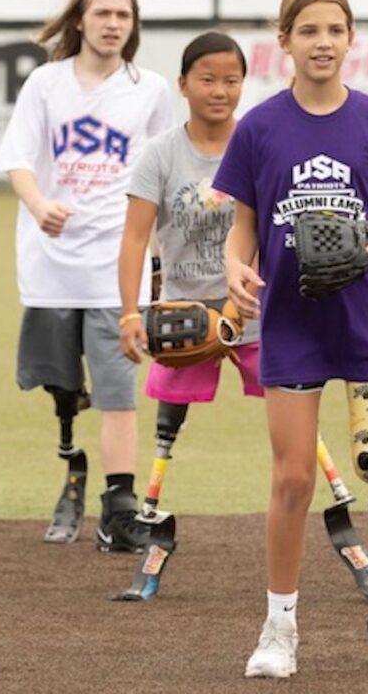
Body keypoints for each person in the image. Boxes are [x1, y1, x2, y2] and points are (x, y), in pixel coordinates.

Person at [212, 0, 368, 679]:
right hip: (290, 321)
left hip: (362, 320)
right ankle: (279, 629)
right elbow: (240, 227)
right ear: (285, 42)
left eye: (335, 30)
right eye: (309, 31)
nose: (323, 42)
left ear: (351, 38)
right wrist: (234, 269)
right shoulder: (261, 128)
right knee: (294, 478)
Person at [0, 0, 173, 552]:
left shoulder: (150, 90)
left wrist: (162, 257)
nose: (114, 24)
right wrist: (40, 203)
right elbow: (18, 157)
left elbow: (164, 176)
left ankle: (118, 507)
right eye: (103, 14)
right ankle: (72, 462)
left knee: (119, 388)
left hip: (115, 266)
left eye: (124, 15)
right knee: (62, 385)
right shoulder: (46, 84)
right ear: (80, 21)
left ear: (134, 25)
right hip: (51, 265)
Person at [118, 32, 262, 500]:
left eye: (231, 80)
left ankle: (325, 496)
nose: (220, 91)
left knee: (293, 404)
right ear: (182, 84)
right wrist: (130, 313)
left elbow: (270, 227)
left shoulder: (258, 145)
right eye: (207, 79)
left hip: (255, 311)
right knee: (168, 421)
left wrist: (247, 304)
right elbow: (135, 237)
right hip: (182, 314)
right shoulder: (161, 153)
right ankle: (150, 508)